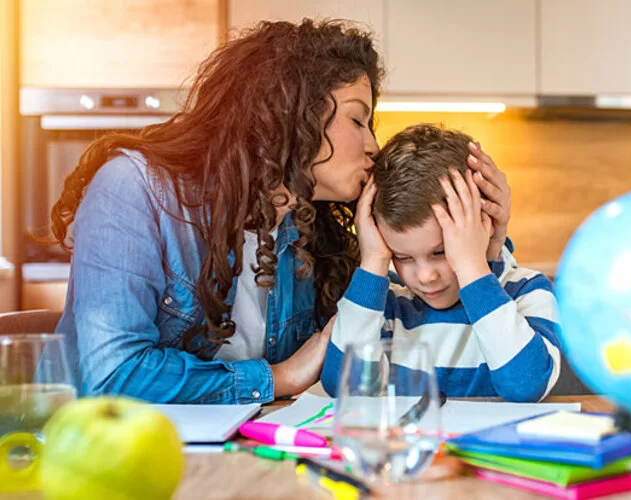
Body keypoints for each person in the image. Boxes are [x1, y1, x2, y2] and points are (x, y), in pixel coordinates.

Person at [48, 20, 512, 404]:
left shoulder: (311, 225)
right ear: (290, 113)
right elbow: (110, 375)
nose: (372, 144)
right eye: (357, 119)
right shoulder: (134, 189)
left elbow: (437, 324)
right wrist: (279, 377)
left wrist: (489, 245)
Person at [321, 124, 561, 402]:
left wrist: (471, 267)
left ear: (484, 223)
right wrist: (373, 260)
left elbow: (527, 386)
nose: (425, 276)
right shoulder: (388, 302)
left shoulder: (527, 291)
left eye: (440, 252)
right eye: (403, 257)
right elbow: (345, 387)